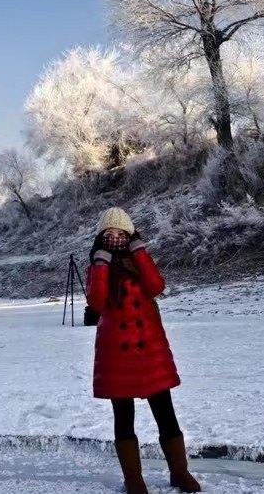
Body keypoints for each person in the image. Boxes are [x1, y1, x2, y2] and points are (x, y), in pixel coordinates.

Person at [86, 206, 202, 494]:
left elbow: (155, 286)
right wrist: (101, 263)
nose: (115, 238)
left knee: (166, 414)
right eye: (108, 234)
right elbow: (97, 303)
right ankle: (134, 480)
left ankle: (180, 472)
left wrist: (139, 252)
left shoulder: (139, 259)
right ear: (101, 238)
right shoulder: (97, 265)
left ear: (130, 234)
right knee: (124, 419)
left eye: (121, 233)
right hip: (117, 353)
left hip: (150, 349)